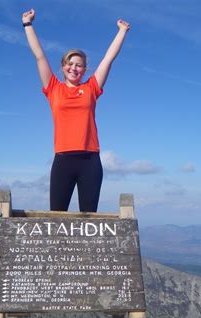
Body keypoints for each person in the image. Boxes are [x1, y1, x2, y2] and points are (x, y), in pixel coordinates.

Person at [22, 9, 130, 212]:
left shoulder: (91, 88)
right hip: (63, 159)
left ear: (85, 70)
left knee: (89, 221)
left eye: (79, 65)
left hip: (90, 160)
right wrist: (28, 25)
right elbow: (39, 56)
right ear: (63, 67)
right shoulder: (53, 88)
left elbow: (108, 59)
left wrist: (122, 31)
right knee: (57, 218)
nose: (74, 68)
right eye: (70, 64)